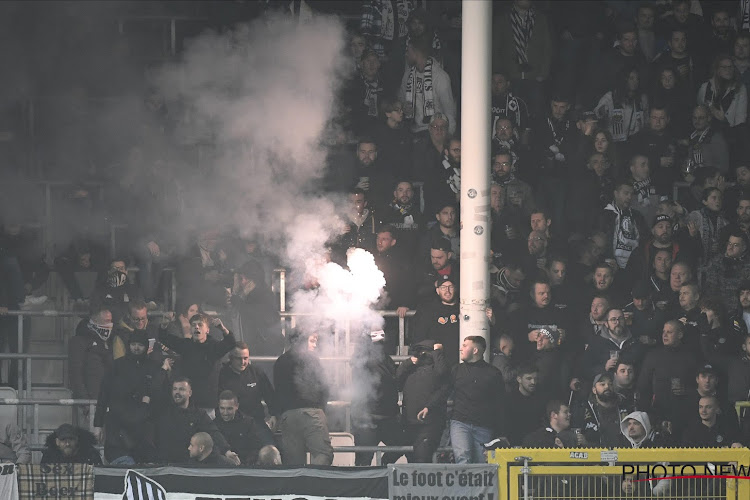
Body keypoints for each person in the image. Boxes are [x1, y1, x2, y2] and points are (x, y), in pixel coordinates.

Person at [94, 329, 168, 464]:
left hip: (143, 426)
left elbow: (158, 395)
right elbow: (103, 394)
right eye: (133, 344)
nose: (136, 348)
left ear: (146, 347)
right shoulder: (117, 365)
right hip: (118, 424)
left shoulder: (154, 367)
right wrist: (98, 424)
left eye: (140, 345)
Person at [273, 331, 333, 466]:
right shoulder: (312, 359)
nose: (315, 345)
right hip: (312, 413)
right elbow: (325, 386)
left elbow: (277, 391)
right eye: (312, 341)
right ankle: (314, 483)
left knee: (294, 463)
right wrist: (321, 410)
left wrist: (279, 414)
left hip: (288, 416)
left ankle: (298, 486)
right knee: (323, 454)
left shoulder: (281, 361)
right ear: (300, 341)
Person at [158, 314, 236, 417]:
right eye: (193, 325)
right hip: (188, 403)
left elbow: (231, 342)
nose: (196, 327)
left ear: (207, 330)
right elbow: (165, 338)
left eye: (200, 324)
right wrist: (164, 325)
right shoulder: (186, 345)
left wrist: (222, 329)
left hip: (207, 404)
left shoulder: (214, 347)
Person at [350, 330, 405, 466]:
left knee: (364, 460)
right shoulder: (368, 360)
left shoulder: (380, 359)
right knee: (364, 459)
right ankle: (383, 467)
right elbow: (391, 379)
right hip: (370, 417)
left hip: (379, 416)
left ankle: (382, 468)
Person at [154, 377, 238, 465]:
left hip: (189, 466)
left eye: (181, 389)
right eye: (175, 389)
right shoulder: (163, 413)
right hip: (165, 465)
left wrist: (226, 451)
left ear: (189, 393)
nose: (177, 392)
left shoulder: (199, 414)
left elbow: (213, 432)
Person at [450, 336, 506, 464]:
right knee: (463, 458)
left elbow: (500, 404)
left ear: (475, 350)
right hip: (461, 422)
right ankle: (464, 485)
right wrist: (429, 406)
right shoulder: (456, 370)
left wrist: (501, 431)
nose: (460, 349)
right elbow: (443, 391)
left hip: (484, 425)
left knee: (482, 464)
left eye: (465, 345)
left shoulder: (493, 373)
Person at [396, 340, 449, 463]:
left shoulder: (439, 368)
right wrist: (408, 363)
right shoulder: (411, 369)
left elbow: (443, 373)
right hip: (409, 422)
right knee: (405, 458)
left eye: (425, 352)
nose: (422, 354)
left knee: (422, 459)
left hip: (430, 423)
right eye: (420, 352)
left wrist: (438, 352)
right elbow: (397, 380)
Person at [217, 342, 278, 444]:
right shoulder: (222, 375)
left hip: (256, 422)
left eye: (245, 358)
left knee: (272, 449)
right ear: (231, 358)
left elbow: (269, 395)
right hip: (231, 423)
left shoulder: (256, 372)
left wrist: (274, 415)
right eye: (238, 358)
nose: (243, 362)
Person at [398, 36, 456, 136]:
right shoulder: (408, 74)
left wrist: (449, 139)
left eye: (408, 51)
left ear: (416, 53)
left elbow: (449, 112)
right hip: (412, 131)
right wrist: (403, 106)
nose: (406, 54)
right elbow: (400, 99)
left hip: (435, 133)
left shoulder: (440, 77)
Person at [226, 261, 284, 357]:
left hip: (266, 346)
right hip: (257, 346)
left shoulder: (264, 294)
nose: (243, 282)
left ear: (255, 279)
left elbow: (258, 315)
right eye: (241, 278)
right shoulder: (246, 295)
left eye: (246, 278)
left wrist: (239, 302)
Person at [68, 307, 114, 405]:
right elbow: (75, 373)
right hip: (91, 401)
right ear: (95, 321)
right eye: (106, 321)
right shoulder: (79, 342)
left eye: (110, 321)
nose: (110, 324)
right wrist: (85, 402)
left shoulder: (110, 342)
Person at [413, 275, 460, 365]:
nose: (447, 291)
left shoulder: (464, 309)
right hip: (437, 362)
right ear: (437, 291)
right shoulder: (428, 310)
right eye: (443, 287)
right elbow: (419, 335)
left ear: (455, 289)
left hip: (459, 361)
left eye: (450, 287)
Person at [214, 390, 270, 465]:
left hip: (244, 466)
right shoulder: (214, 425)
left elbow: (256, 447)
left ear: (236, 406)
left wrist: (244, 464)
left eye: (229, 409)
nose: (225, 413)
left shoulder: (248, 423)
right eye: (222, 408)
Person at [697, 54, 748, 129]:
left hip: (729, 134)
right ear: (717, 70)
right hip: (707, 133)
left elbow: (740, 120)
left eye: (730, 67)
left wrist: (723, 120)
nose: (728, 70)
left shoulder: (740, 89)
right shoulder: (705, 87)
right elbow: (698, 110)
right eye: (724, 67)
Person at [506, 362, 546, 445]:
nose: (533, 382)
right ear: (519, 379)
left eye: (535, 378)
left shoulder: (541, 399)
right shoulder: (508, 399)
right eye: (529, 378)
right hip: (513, 445)